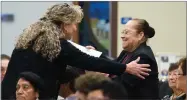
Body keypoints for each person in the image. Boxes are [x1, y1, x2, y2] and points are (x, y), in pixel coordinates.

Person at [1, 3, 150, 100]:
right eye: (74, 24)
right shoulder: (57, 44)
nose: (75, 29)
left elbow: (51, 68)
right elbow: (89, 61)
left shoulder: (29, 39)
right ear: (65, 24)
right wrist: (125, 68)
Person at [86, 18, 158, 99]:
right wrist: (95, 53)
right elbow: (114, 64)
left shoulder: (143, 57)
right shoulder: (126, 52)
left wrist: (101, 78)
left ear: (140, 35)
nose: (122, 36)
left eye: (126, 32)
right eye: (123, 32)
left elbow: (122, 84)